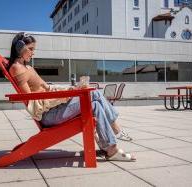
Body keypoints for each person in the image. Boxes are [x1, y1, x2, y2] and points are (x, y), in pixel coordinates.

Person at [8, 32, 136, 161]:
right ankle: (115, 130)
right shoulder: (17, 69)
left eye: (33, 49)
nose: (33, 53)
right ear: (20, 48)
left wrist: (70, 90)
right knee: (94, 93)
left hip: (53, 108)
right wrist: (60, 96)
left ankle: (109, 149)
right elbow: (31, 99)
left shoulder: (28, 67)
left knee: (95, 103)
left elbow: (47, 87)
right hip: (48, 115)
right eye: (30, 49)